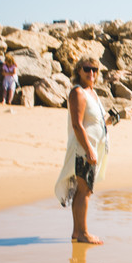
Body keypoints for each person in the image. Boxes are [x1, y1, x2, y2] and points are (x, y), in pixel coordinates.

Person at [54, 57, 113, 245]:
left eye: (95, 69)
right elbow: (77, 125)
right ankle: (84, 233)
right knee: (85, 190)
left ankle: (76, 231)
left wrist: (112, 120)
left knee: (82, 190)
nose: (91, 73)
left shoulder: (92, 93)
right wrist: (88, 149)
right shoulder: (78, 93)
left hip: (91, 148)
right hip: (83, 149)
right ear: (78, 70)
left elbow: (96, 122)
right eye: (87, 69)